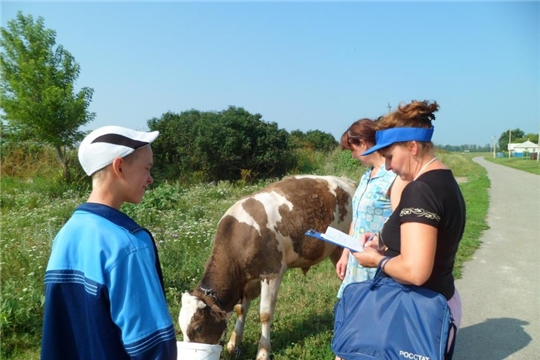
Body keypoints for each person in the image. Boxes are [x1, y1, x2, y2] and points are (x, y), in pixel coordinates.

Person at [41, 126, 177, 360]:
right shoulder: (128, 245)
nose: (150, 179)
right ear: (119, 167)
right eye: (147, 168)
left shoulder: (65, 234)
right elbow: (151, 346)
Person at [354, 100, 465, 338]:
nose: (388, 166)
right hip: (439, 301)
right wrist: (382, 240)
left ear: (412, 146)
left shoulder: (420, 190)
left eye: (390, 156)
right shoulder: (445, 181)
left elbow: (415, 271)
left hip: (414, 312)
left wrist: (376, 260)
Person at [335, 119, 407, 297]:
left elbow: (400, 222)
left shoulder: (392, 177)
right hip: (357, 261)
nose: (352, 156)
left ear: (363, 143)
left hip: (377, 260)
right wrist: (345, 254)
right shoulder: (366, 176)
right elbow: (357, 218)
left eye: (353, 150)